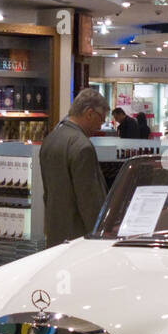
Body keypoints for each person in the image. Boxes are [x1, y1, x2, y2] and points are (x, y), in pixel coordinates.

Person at [39, 87, 109, 247]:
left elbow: (47, 194)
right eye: (101, 119)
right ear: (89, 113)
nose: (100, 126)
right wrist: (100, 236)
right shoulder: (82, 146)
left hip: (55, 234)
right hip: (78, 239)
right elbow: (90, 200)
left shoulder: (50, 139)